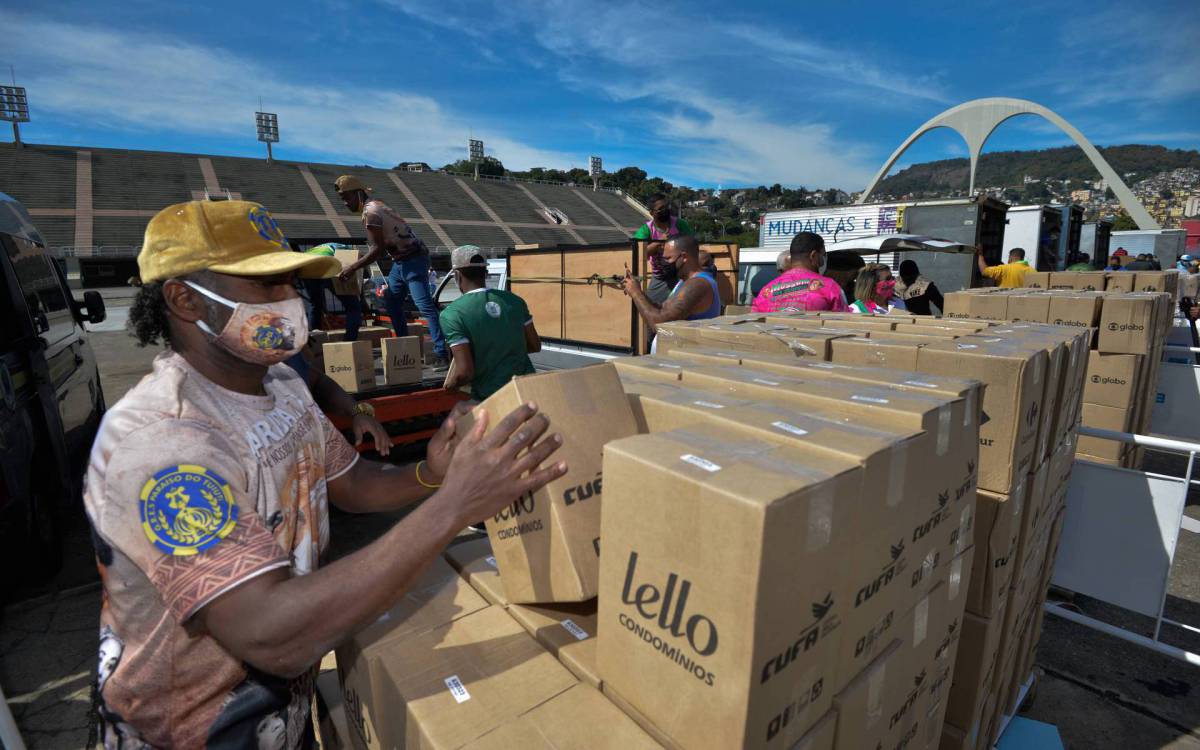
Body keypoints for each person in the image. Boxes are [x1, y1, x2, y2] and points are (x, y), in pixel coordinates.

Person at [93, 199, 566, 748]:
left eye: (291, 283)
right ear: (184, 298)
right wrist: (455, 504)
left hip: (283, 716)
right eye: (265, 286)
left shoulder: (283, 385)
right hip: (186, 733)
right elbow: (270, 635)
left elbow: (353, 484)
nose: (291, 301)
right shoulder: (162, 442)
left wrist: (433, 473)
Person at [332, 175, 448, 366]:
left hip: (413, 259)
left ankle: (441, 353)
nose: (345, 203)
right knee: (392, 301)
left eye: (347, 197)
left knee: (424, 305)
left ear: (358, 194)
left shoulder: (371, 213)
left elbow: (377, 250)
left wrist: (352, 268)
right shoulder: (376, 206)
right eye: (342, 198)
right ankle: (406, 347)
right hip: (402, 261)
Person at [441, 245, 539, 401]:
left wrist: (451, 385)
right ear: (485, 273)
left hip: (492, 399)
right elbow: (535, 345)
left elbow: (465, 373)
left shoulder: (452, 314)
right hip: (526, 391)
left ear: (457, 275)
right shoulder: (515, 301)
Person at [622, 235, 720, 351]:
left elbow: (659, 324)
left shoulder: (697, 285)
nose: (664, 263)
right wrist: (637, 288)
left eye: (668, 258)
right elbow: (663, 309)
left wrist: (635, 293)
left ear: (683, 257)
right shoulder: (684, 282)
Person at [751, 232, 849, 313]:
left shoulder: (766, 292)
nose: (823, 261)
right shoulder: (830, 288)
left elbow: (753, 326)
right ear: (813, 256)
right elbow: (844, 324)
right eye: (823, 255)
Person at [633, 194, 694, 304]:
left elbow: (692, 244)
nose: (665, 210)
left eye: (667, 206)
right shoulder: (646, 229)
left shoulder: (680, 224)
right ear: (651, 212)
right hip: (660, 277)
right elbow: (638, 251)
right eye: (660, 209)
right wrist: (659, 242)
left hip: (681, 274)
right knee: (651, 306)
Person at [301, 243, 362, 340]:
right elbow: (348, 263)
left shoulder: (317, 249)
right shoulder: (345, 247)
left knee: (315, 305)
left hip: (307, 268)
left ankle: (316, 340)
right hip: (326, 265)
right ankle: (349, 342)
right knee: (353, 307)